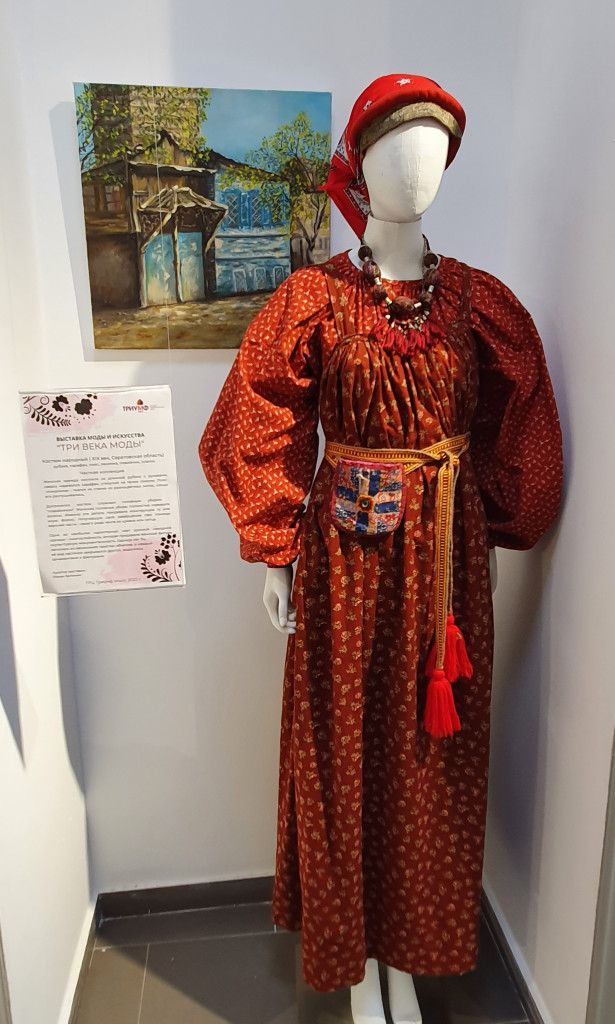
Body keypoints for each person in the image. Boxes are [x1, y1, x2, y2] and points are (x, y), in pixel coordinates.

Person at [199, 75, 563, 1024]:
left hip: (446, 567)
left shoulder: (479, 302)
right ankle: (357, 964)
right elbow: (258, 422)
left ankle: (410, 953)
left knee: (432, 758)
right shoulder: (311, 299)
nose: (418, 170)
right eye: (397, 150)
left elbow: (521, 420)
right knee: (345, 745)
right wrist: (274, 551)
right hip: (346, 565)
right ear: (357, 167)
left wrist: (497, 520)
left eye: (434, 150)